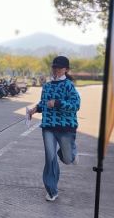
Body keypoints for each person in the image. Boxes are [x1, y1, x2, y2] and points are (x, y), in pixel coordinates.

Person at [28, 56, 81, 201]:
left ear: (66, 69)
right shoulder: (47, 86)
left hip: (66, 127)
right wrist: (35, 109)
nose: (56, 70)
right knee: (50, 158)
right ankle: (52, 191)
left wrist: (57, 103)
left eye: (59, 67)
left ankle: (72, 152)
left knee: (68, 159)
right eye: (54, 67)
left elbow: (76, 105)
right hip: (48, 127)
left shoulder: (69, 85)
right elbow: (44, 103)